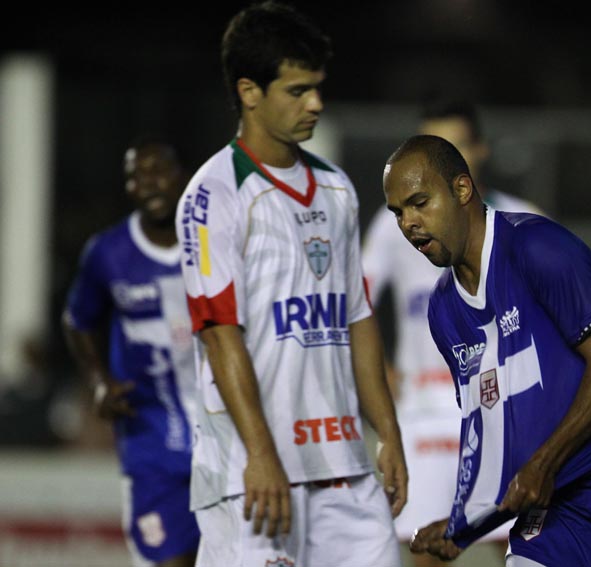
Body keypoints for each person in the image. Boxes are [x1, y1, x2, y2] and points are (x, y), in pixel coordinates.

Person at [383, 135, 591, 567]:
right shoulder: (443, 310)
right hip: (563, 500)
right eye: (398, 212)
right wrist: (464, 524)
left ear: (462, 189)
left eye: (419, 202)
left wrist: (544, 463)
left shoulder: (537, 246)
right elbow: (487, 428)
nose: (409, 223)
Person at [175, 3, 407, 566]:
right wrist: (260, 455)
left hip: (343, 467)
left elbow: (357, 318)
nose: (316, 104)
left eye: (318, 88)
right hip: (252, 474)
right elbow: (219, 334)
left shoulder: (336, 188)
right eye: (298, 90)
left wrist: (389, 432)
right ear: (249, 92)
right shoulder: (213, 196)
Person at [362, 100, 539, 565]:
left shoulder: (524, 220)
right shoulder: (395, 225)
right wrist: (379, 371)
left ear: (478, 150)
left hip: (506, 413)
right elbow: (353, 301)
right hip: (424, 413)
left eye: (453, 146)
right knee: (427, 550)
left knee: (521, 552)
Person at [62, 140, 200, 567]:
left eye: (159, 171)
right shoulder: (108, 253)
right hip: (150, 443)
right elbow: (77, 320)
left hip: (224, 440)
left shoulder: (213, 240)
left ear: (182, 176)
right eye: (137, 176)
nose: (149, 184)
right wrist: (98, 379)